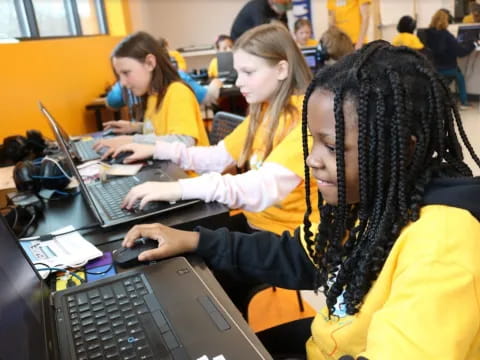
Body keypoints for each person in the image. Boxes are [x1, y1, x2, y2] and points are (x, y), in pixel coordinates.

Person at [121, 40, 480, 359]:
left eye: (333, 146)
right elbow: (299, 256)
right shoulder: (371, 201)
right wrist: (195, 240)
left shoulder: (444, 245)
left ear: (401, 149)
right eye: (314, 141)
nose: (312, 159)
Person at [113, 23, 318, 237]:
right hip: (257, 224)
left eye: (248, 72)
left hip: (288, 239)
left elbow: (261, 187)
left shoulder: (307, 119)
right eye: (238, 72)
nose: (239, 82)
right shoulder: (265, 110)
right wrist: (157, 150)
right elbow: (219, 157)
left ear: (282, 69)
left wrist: (179, 188)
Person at [92, 32, 209, 158]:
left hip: (190, 174)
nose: (123, 83)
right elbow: (161, 129)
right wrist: (136, 128)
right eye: (119, 75)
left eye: (126, 73)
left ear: (150, 63)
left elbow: (184, 141)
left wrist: (130, 140)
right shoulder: (153, 95)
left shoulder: (177, 92)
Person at [425, 9, 476, 109]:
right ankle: (464, 103)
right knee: (460, 77)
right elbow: (460, 53)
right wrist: (473, 45)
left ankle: (439, 98)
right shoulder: (447, 36)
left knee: (444, 80)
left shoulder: (428, 33)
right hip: (448, 68)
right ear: (446, 20)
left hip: (434, 67)